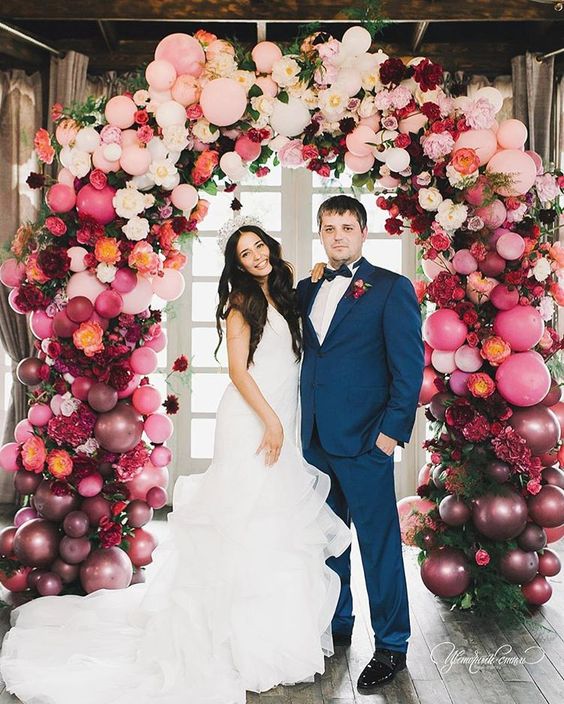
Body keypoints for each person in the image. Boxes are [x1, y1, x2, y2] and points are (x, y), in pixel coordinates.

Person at [0, 215, 350, 704]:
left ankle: (275, 633)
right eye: (245, 254)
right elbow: (236, 371)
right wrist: (270, 423)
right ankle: (233, 641)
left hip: (283, 419)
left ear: (270, 246)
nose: (256, 257)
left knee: (275, 525)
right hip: (253, 419)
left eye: (259, 248)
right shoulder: (240, 303)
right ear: (236, 264)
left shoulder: (286, 295)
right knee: (244, 521)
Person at [296, 195, 424, 692]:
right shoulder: (306, 290)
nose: (337, 235)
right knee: (329, 542)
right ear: (321, 233)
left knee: (379, 546)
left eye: (347, 226)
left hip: (369, 441)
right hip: (316, 442)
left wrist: (390, 437)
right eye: (328, 227)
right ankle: (339, 624)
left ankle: (392, 644)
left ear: (363, 231)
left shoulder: (392, 289)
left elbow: (408, 370)